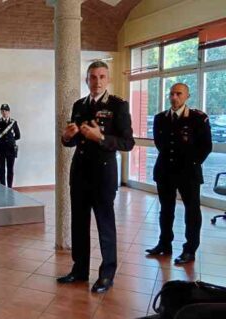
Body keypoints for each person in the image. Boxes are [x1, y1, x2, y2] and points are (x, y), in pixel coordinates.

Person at [57, 61, 135, 293]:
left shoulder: (118, 105)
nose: (97, 81)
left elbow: (127, 143)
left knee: (105, 225)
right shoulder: (79, 105)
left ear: (108, 79)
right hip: (80, 172)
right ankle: (79, 270)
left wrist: (99, 138)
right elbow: (71, 142)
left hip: (103, 174)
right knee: (79, 224)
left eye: (102, 77)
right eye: (92, 77)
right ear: (87, 79)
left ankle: (107, 275)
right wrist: (66, 137)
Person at [145, 83, 212, 265]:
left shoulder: (198, 118)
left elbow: (206, 146)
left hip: (188, 173)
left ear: (187, 96)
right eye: (172, 94)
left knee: (192, 212)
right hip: (165, 171)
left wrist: (190, 164)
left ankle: (190, 249)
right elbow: (160, 144)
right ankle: (164, 244)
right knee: (166, 210)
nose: (174, 97)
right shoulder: (161, 118)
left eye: (179, 94)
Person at [0, 103, 21, 188]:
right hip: (0, 149)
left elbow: (18, 135)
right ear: (1, 112)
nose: (4, 112)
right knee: (1, 170)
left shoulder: (13, 123)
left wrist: (10, 140)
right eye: (2, 111)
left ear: (9, 112)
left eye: (6, 110)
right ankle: (3, 188)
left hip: (10, 149)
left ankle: (10, 188)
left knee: (10, 170)